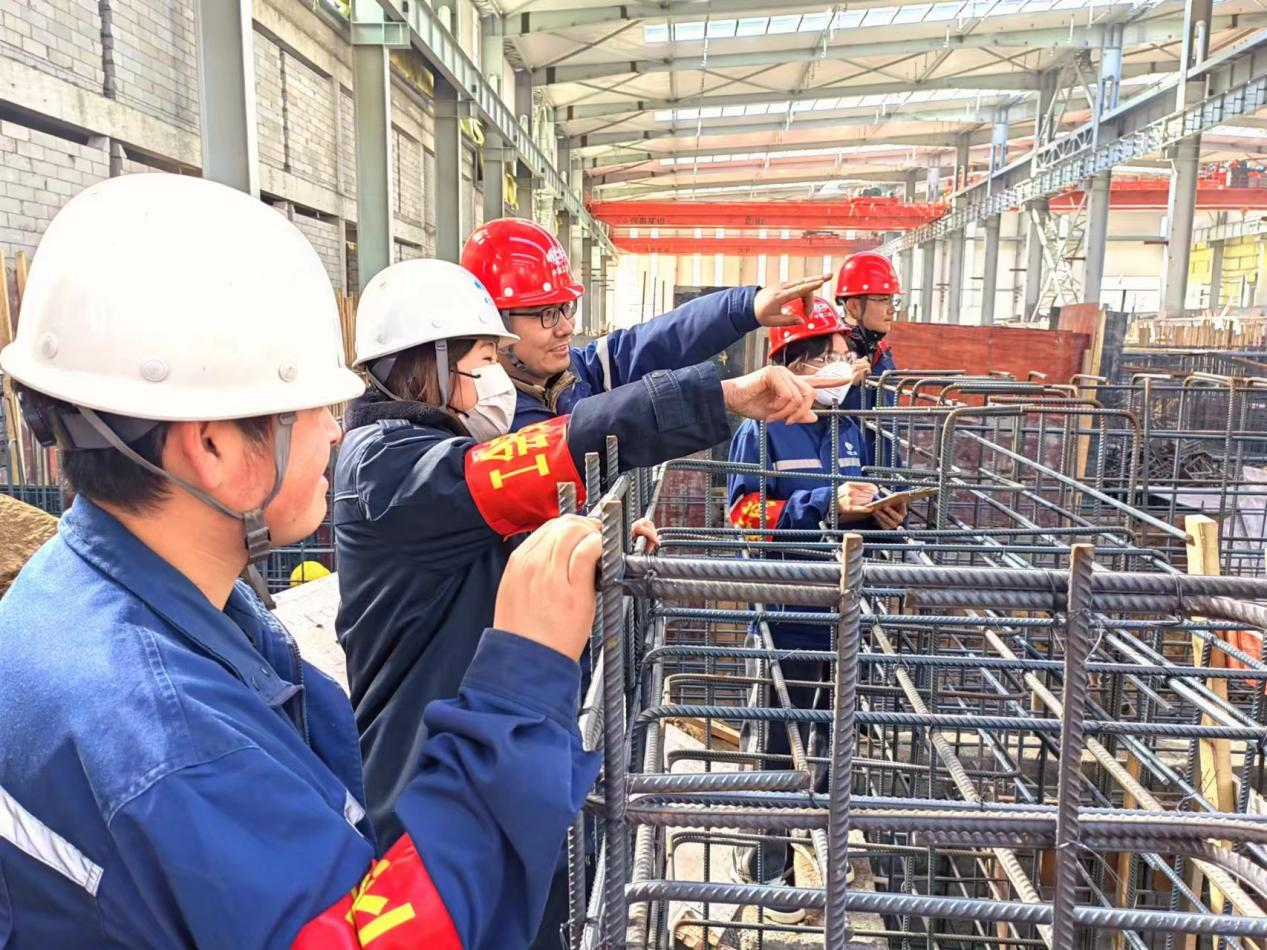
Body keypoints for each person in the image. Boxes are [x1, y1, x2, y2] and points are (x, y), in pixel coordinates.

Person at [0, 174, 609, 949]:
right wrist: (519, 688)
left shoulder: (90, 591)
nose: (334, 430)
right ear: (212, 447)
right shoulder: (167, 734)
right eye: (312, 408)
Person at [335, 258, 836, 948]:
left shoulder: (428, 454)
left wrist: (582, 542)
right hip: (428, 776)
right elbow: (546, 454)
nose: (495, 379)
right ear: (431, 365)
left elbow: (490, 552)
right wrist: (722, 397)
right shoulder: (393, 467)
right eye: (484, 361)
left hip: (477, 750)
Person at [725, 296, 906, 901]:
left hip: (843, 615)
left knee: (833, 743)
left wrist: (884, 517)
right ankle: (767, 868)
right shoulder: (761, 431)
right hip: (785, 618)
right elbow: (744, 517)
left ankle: (819, 852)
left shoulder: (850, 429)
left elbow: (866, 504)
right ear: (794, 364)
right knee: (779, 748)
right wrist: (824, 503)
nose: (842, 365)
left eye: (844, 354)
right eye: (827, 355)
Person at [461, 217, 830, 430]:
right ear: (494, 323)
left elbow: (651, 342)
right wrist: (721, 396)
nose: (566, 327)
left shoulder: (575, 375)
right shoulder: (487, 420)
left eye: (566, 307)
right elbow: (588, 431)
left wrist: (743, 307)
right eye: (546, 314)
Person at [835, 251, 903, 467]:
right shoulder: (828, 358)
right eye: (883, 300)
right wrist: (843, 385)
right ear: (854, 306)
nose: (891, 310)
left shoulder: (882, 354)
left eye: (893, 300)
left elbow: (889, 430)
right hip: (845, 474)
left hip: (882, 471)